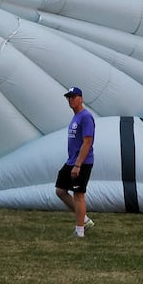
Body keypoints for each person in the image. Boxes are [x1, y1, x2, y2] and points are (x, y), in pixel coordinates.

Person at [55, 85, 95, 238]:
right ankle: (84, 219)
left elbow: (87, 141)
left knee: (78, 195)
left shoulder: (86, 117)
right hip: (71, 161)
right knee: (60, 190)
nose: (71, 100)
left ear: (81, 98)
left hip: (82, 162)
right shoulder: (75, 116)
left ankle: (80, 232)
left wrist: (78, 164)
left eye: (74, 97)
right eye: (69, 98)